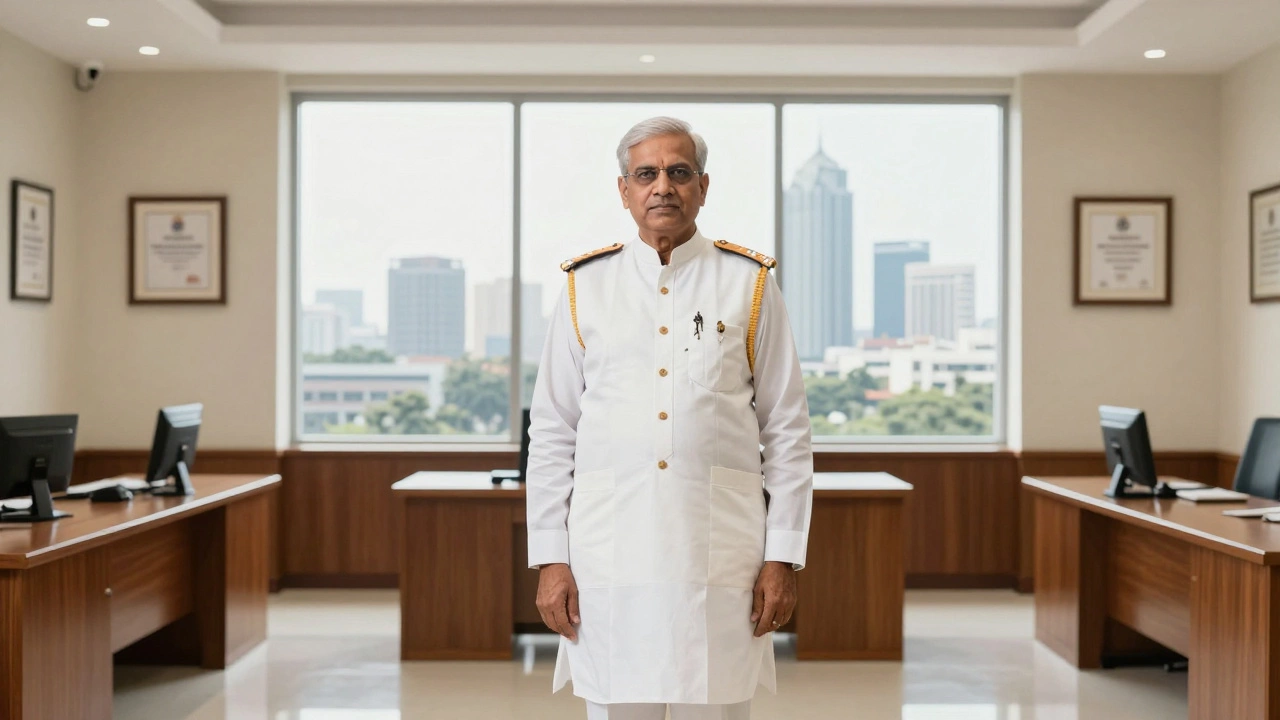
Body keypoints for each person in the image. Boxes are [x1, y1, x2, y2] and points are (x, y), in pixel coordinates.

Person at [525, 116, 814, 720]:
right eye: (647, 173)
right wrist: (551, 557)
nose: (663, 186)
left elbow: (786, 431)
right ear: (624, 190)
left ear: (703, 187)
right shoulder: (586, 286)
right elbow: (552, 432)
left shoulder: (749, 283)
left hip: (720, 558)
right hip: (609, 557)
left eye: (679, 173)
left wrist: (782, 557)